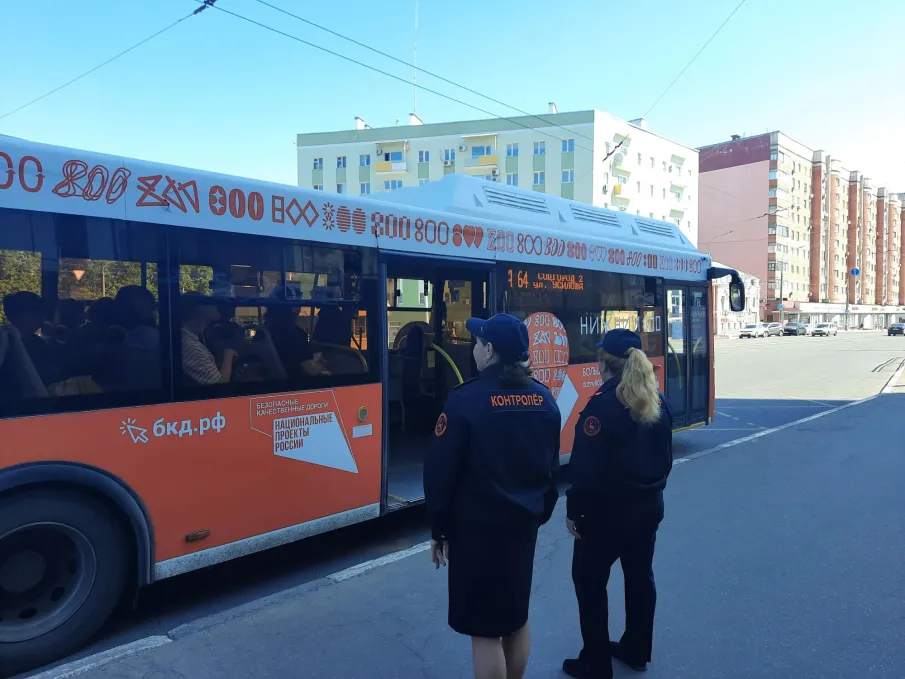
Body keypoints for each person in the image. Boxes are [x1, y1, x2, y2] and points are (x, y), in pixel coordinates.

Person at [424, 313, 561, 679]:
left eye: (477, 341)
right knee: (516, 618)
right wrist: (535, 512)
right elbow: (552, 472)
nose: (473, 347)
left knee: (484, 630)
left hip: (477, 532)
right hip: (523, 527)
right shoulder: (545, 400)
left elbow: (440, 475)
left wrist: (440, 530)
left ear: (489, 350)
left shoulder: (465, 401)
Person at [563, 329, 674, 679]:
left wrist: (574, 512)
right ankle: (637, 650)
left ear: (603, 363)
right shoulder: (658, 402)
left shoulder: (602, 406)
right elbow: (666, 460)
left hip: (605, 517)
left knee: (589, 582)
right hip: (647, 510)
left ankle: (596, 665)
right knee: (640, 577)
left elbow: (584, 469)